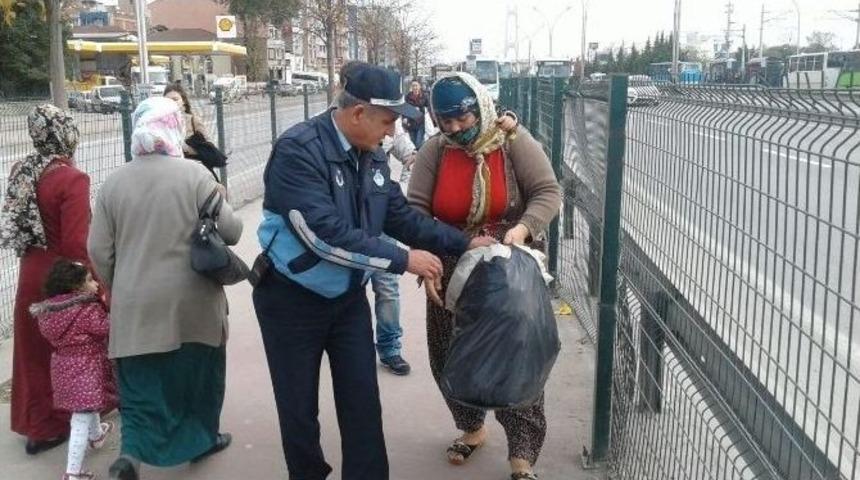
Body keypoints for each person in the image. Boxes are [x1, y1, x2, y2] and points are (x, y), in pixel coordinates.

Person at [252, 62, 495, 480]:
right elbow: (322, 235)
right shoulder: (298, 150)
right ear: (358, 112)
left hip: (346, 299)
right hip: (290, 299)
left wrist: (464, 242)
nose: (392, 132)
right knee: (299, 407)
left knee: (362, 400)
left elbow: (400, 217)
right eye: (388, 121)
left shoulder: (372, 155)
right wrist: (404, 260)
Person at [407, 72, 562, 480]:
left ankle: (522, 456)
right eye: (445, 121)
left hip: (508, 266)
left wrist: (523, 228)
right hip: (451, 264)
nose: (456, 128)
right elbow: (417, 211)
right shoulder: (434, 152)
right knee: (449, 354)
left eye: (463, 117)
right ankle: (472, 429)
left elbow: (548, 191)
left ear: (480, 107)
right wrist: (424, 261)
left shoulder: (512, 142)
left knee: (517, 356)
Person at [88, 97, 243, 480]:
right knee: (199, 378)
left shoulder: (112, 183)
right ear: (174, 129)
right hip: (195, 304)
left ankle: (131, 455)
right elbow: (233, 232)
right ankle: (202, 439)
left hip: (136, 306)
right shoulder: (194, 176)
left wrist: (119, 283)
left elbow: (97, 250)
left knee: (139, 384)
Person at [0, 104, 89, 455]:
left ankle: (36, 425)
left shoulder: (23, 169)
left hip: (29, 271)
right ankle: (65, 421)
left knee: (32, 353)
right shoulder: (71, 178)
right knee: (70, 352)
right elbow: (76, 244)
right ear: (66, 133)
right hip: (61, 276)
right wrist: (92, 283)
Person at [30, 260, 117, 480]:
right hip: (87, 366)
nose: (95, 283)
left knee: (87, 405)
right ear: (76, 287)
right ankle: (73, 472)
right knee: (80, 418)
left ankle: (97, 436)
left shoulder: (48, 312)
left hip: (63, 366)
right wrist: (108, 306)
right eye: (89, 280)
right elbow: (106, 328)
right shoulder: (87, 309)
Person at [163, 83, 223, 180]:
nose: (172, 102)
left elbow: (209, 147)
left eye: (175, 99)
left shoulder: (193, 120)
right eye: (168, 100)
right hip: (171, 175)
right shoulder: (160, 123)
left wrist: (186, 148)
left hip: (195, 174)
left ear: (183, 101)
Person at [404, 80, 430, 149]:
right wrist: (404, 118)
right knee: (412, 143)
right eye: (413, 86)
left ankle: (420, 157)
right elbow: (404, 108)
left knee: (418, 143)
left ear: (419, 86)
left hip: (421, 122)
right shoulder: (408, 97)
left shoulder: (424, 96)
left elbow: (429, 108)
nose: (415, 87)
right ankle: (417, 157)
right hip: (411, 123)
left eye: (416, 85)